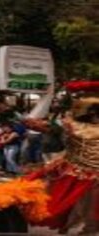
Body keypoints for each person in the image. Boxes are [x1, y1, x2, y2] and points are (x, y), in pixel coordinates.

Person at [24, 81, 99, 235]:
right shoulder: (70, 125)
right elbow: (30, 123)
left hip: (89, 173)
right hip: (79, 171)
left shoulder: (70, 125)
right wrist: (45, 100)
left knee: (91, 203)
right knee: (79, 202)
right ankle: (78, 226)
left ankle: (88, 228)